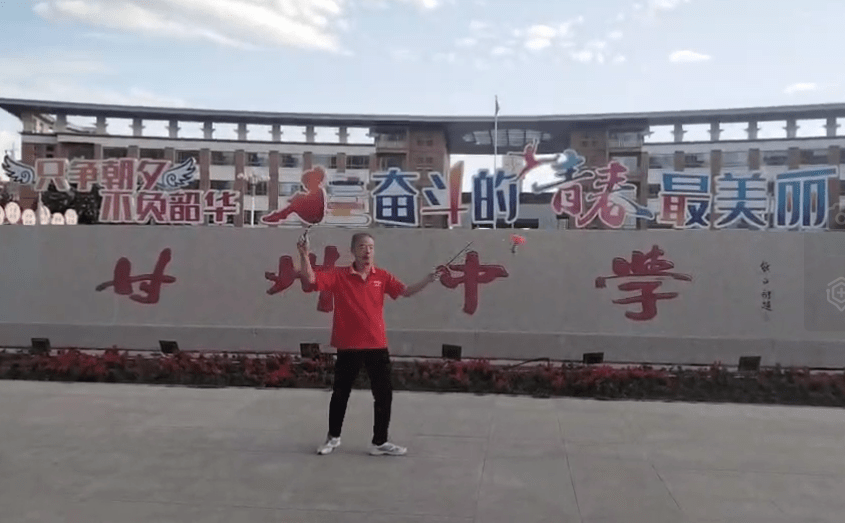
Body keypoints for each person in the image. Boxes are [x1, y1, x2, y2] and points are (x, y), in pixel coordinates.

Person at [297, 231, 440, 456]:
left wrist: (428, 280)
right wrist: (304, 254)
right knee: (340, 393)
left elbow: (405, 291)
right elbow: (312, 280)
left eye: (371, 247)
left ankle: (380, 441)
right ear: (353, 250)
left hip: (376, 345)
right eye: (362, 246)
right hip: (348, 345)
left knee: (383, 395)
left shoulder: (381, 276)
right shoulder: (339, 275)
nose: (367, 251)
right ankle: (333, 438)